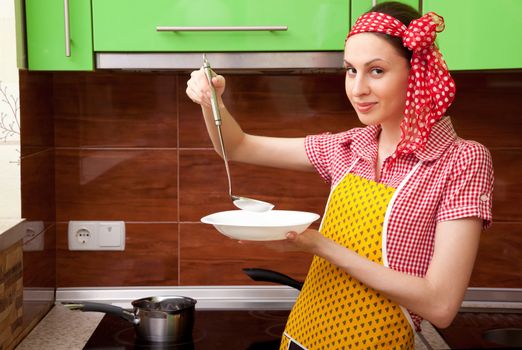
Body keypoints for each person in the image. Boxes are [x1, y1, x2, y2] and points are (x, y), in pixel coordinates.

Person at [186, 1, 494, 349]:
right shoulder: (349, 146)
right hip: (303, 339)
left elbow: (440, 305)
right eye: (351, 70)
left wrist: (319, 245)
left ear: (417, 72)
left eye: (376, 71)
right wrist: (212, 103)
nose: (357, 88)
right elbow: (237, 146)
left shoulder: (461, 160)